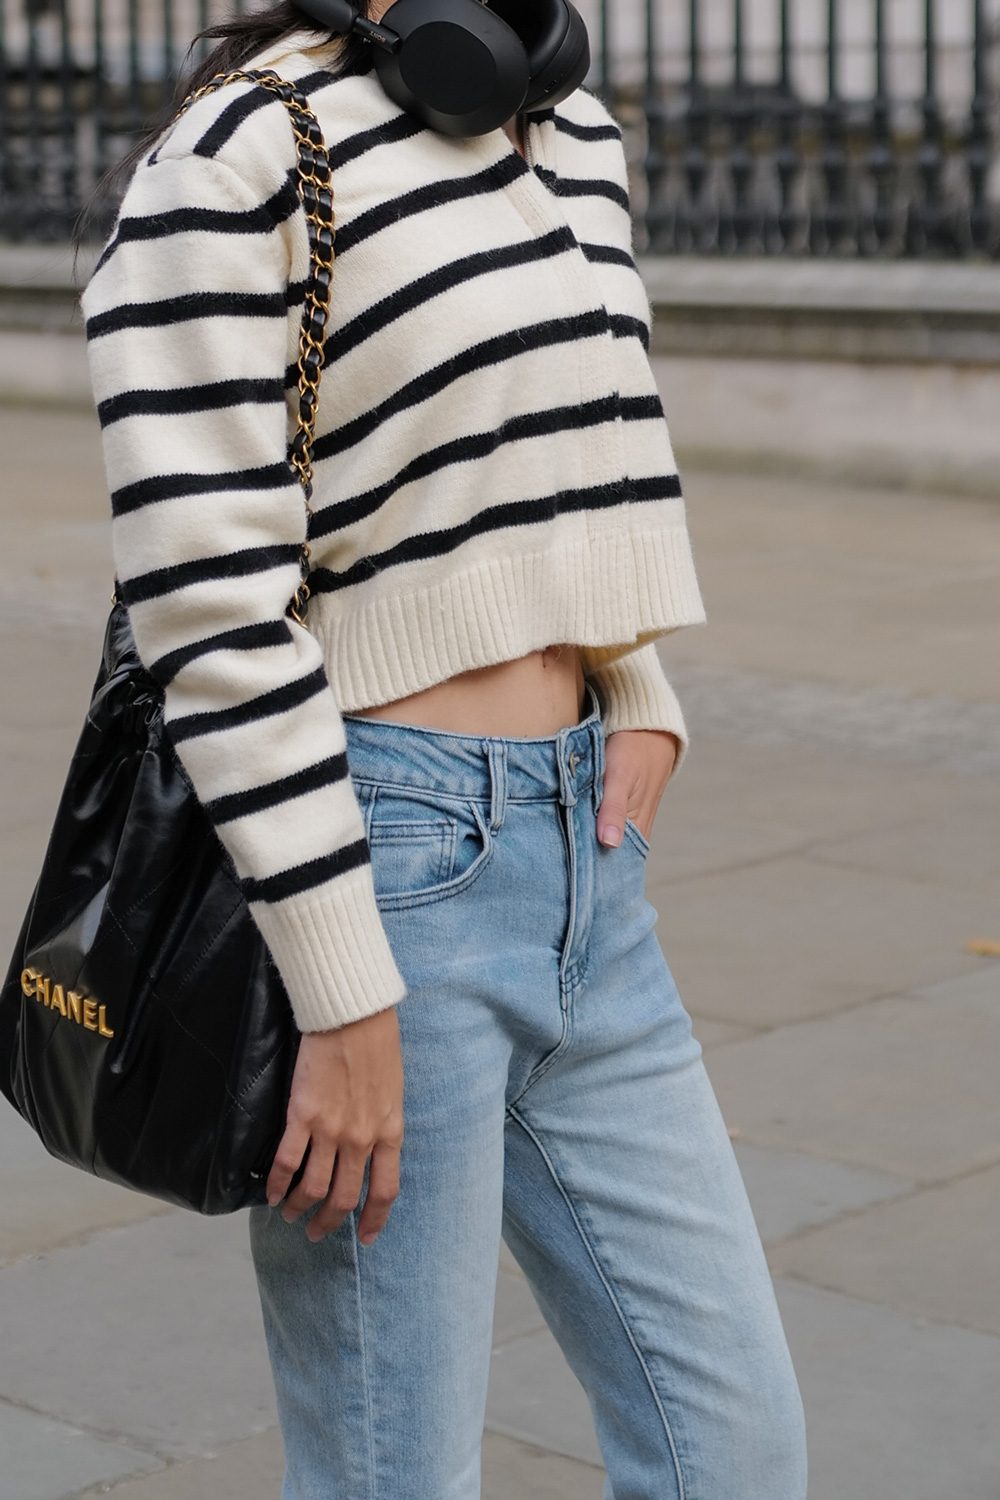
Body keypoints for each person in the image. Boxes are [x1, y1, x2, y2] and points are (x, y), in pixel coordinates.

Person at [82, 2, 807, 1494]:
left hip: (587, 872)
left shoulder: (572, 124)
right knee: (393, 1473)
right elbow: (210, 607)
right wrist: (343, 991)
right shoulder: (243, 153)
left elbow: (564, 446)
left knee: (735, 1448)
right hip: (378, 864)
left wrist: (633, 672)